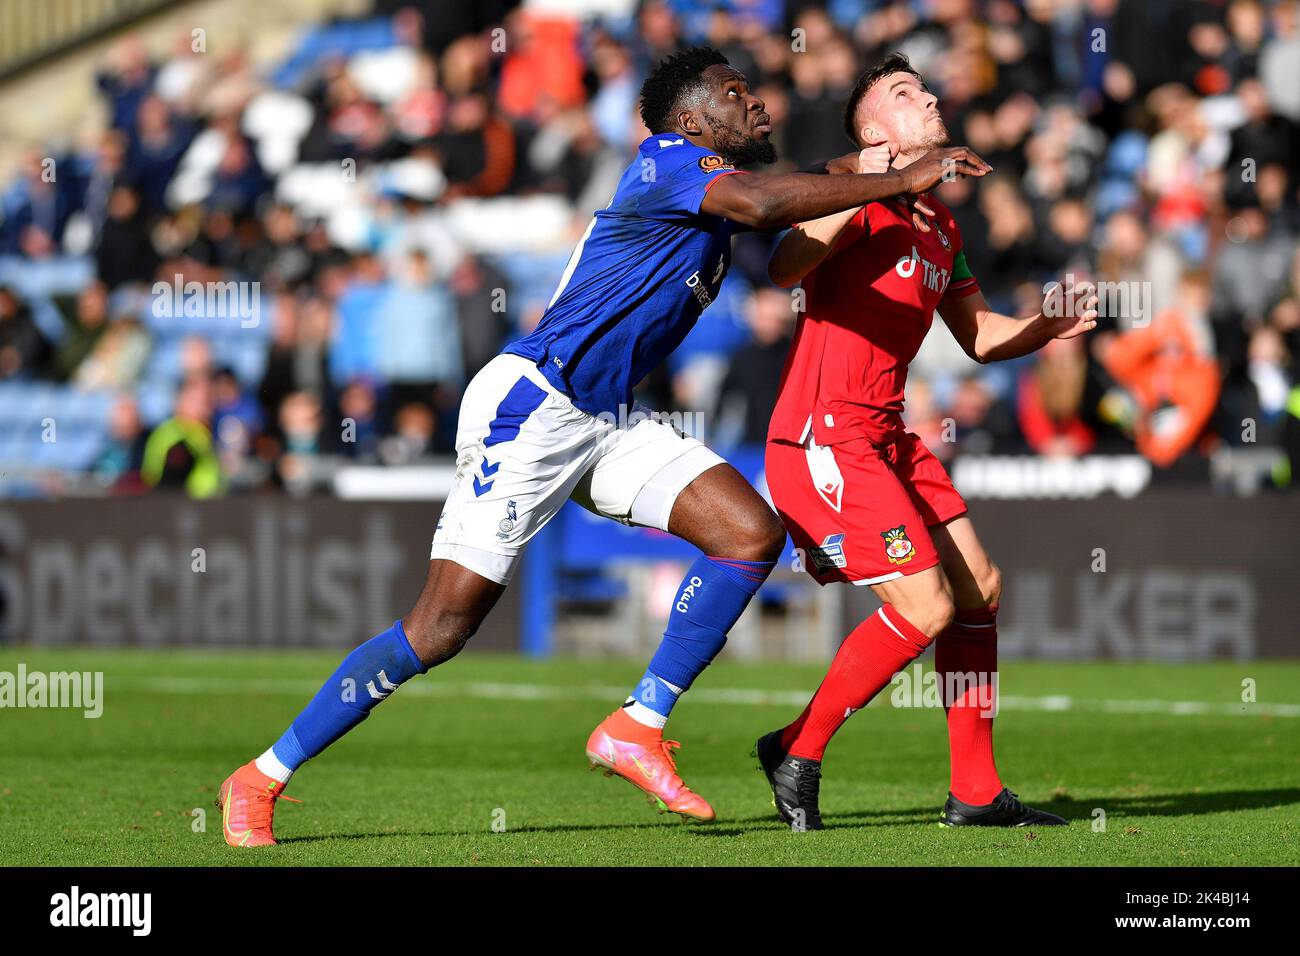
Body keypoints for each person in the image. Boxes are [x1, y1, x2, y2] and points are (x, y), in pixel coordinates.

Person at [216, 46, 989, 846]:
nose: (758, 104)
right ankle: (261, 776)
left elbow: (795, 188)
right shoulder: (667, 161)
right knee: (441, 627)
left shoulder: (715, 185)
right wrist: (898, 177)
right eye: (737, 94)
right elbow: (766, 205)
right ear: (693, 119)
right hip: (535, 405)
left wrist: (887, 160)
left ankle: (636, 724)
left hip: (608, 418)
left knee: (749, 535)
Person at [758, 54, 1095, 830]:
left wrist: (1043, 327)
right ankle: (798, 748)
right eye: (906, 94)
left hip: (886, 434)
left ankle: (975, 792)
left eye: (926, 87)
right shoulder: (851, 201)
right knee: (927, 605)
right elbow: (783, 266)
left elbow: (978, 336)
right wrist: (870, 178)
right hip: (823, 433)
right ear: (875, 132)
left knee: (979, 585)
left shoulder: (941, 223)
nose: (931, 97)